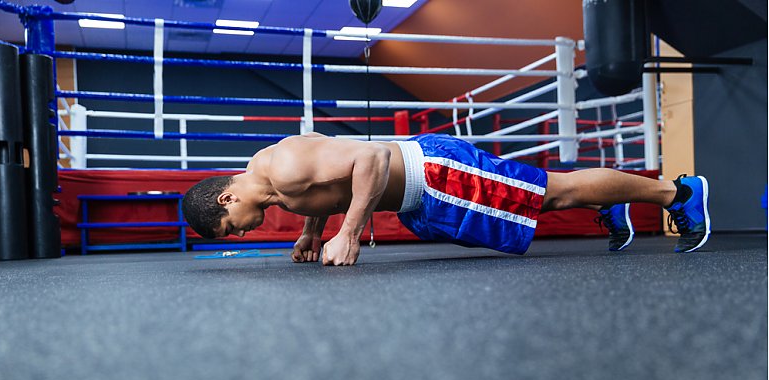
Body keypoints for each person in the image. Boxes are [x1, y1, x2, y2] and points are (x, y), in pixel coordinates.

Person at [182, 133, 710, 266]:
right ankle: (612, 204)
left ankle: (676, 191)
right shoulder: (272, 186)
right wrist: (310, 233)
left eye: (231, 227)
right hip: (423, 197)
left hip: (433, 171)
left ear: (226, 199)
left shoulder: (282, 167)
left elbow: (369, 159)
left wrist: (346, 233)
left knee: (551, 193)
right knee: (543, 200)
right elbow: (325, 192)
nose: (242, 232)